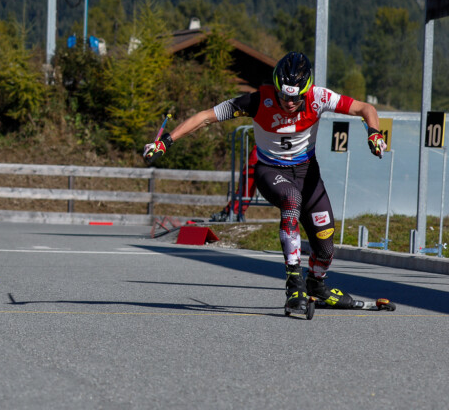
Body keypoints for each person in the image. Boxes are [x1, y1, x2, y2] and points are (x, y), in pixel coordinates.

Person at [143, 52, 387, 314]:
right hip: (271, 171)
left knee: (326, 245)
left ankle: (317, 286)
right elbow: (205, 117)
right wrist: (165, 141)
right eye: (283, 95)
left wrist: (373, 133)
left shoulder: (319, 97)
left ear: (306, 91)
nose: (289, 103)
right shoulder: (258, 100)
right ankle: (294, 282)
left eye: (295, 97)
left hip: (307, 173)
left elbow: (366, 108)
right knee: (291, 200)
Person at [211, 145, 258, 222]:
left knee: (247, 180)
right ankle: (233, 210)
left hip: (269, 150)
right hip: (264, 148)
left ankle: (233, 210)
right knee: (246, 180)